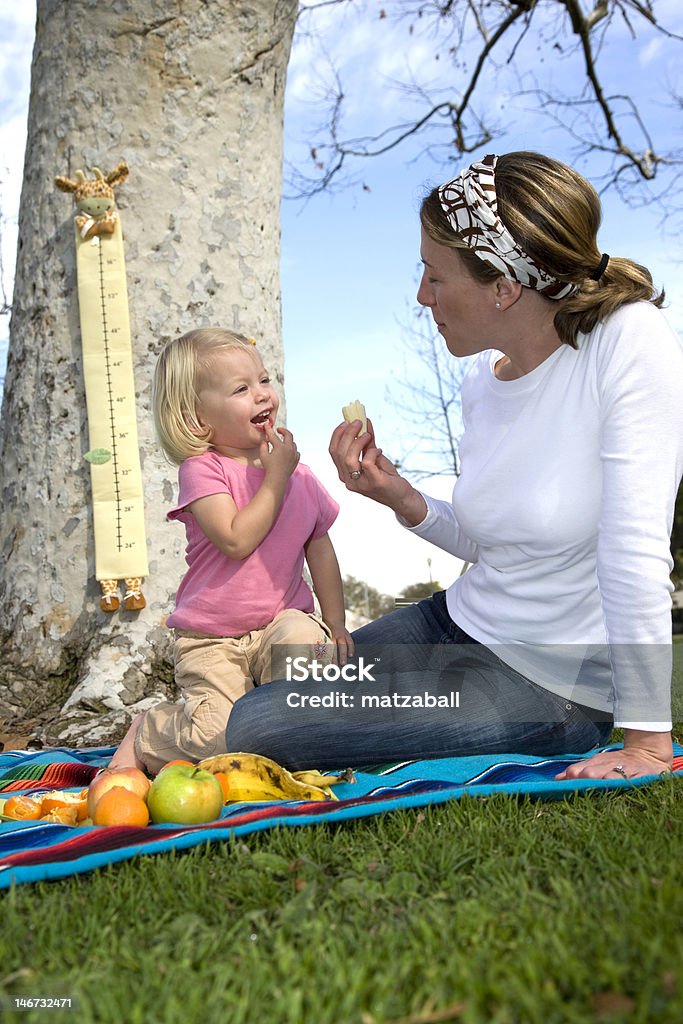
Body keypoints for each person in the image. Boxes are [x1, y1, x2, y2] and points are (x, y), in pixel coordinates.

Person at [224, 151, 683, 780]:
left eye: (435, 277)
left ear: (503, 286)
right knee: (282, 671)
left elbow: (635, 550)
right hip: (454, 624)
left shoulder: (629, 343)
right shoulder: (481, 380)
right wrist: (398, 496)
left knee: (261, 723)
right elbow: (493, 538)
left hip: (548, 682)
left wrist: (649, 744)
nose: (421, 295)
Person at [110, 328, 352, 773]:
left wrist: (335, 624)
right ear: (198, 419)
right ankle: (150, 730)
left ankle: (300, 746)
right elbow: (236, 539)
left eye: (263, 380)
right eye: (241, 389)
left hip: (281, 623)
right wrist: (276, 478)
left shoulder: (301, 478)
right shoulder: (203, 471)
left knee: (308, 652)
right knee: (218, 738)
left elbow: (321, 550)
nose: (262, 395)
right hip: (212, 637)